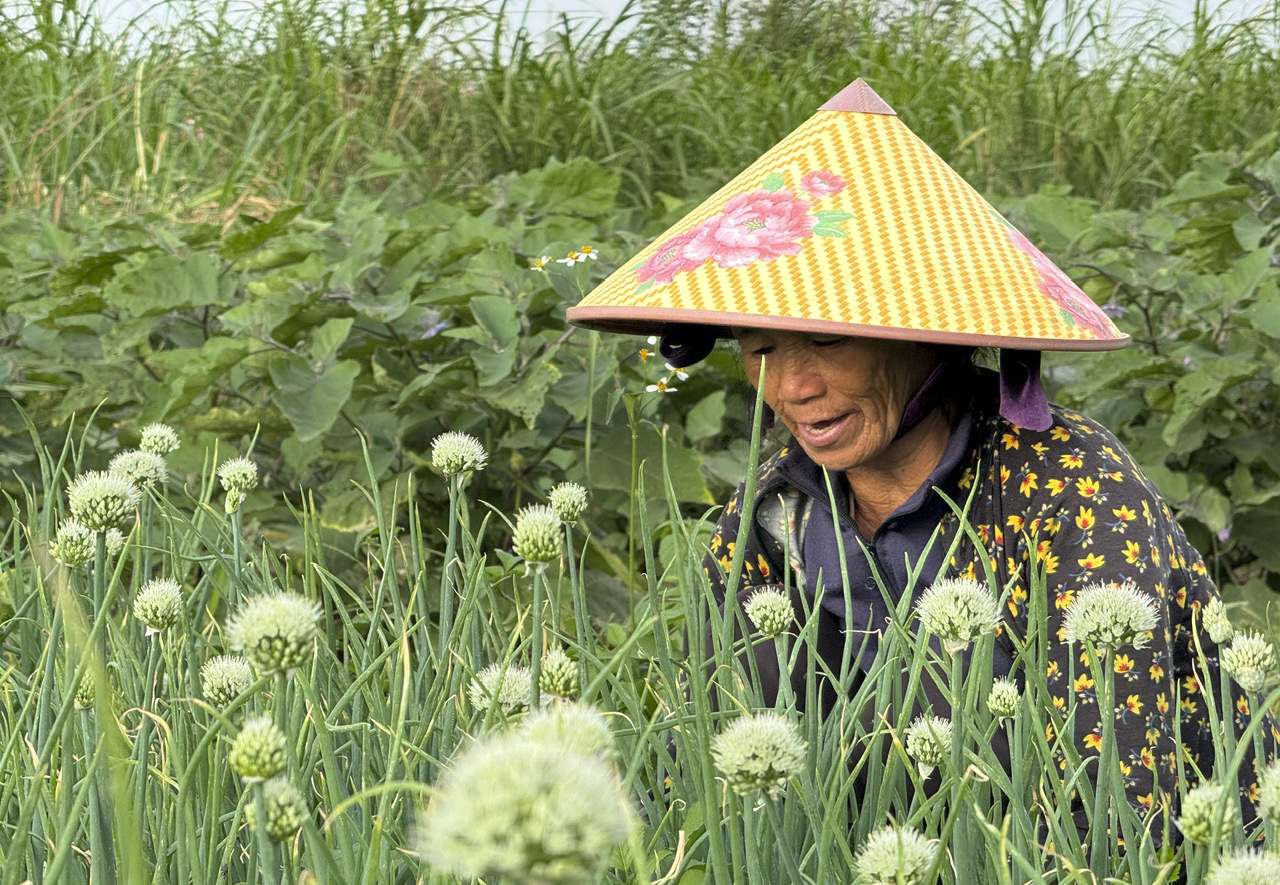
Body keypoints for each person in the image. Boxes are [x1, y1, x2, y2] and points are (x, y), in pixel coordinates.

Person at [566, 78, 1274, 827]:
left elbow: (1122, 795)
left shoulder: (1068, 485)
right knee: (762, 634)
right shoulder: (777, 506)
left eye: (829, 341)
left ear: (926, 339)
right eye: (762, 348)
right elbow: (712, 740)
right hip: (887, 844)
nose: (794, 386)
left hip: (1126, 843)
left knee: (950, 662)